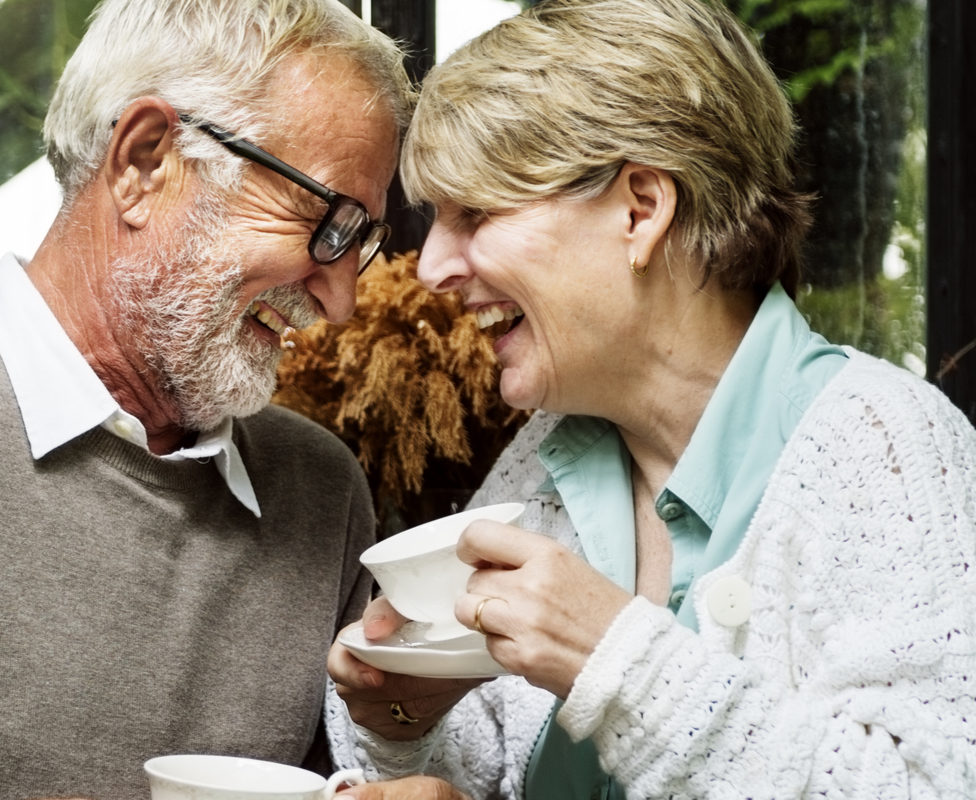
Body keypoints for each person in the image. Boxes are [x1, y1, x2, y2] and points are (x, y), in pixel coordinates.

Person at [324, 0, 976, 798]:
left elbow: (930, 784)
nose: (432, 268)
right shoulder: (548, 456)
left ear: (641, 209)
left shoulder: (885, 445)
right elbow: (490, 767)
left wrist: (616, 659)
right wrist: (407, 725)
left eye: (477, 214)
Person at [0, 1, 414, 798]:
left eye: (365, 241)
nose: (344, 299)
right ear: (145, 161)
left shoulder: (322, 493)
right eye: (327, 223)